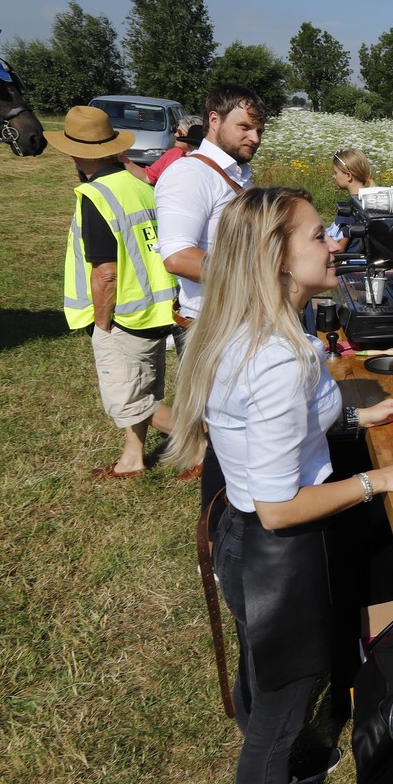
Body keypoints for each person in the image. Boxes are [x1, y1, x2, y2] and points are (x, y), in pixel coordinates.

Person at [167, 186, 393, 784]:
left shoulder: (261, 329)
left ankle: (287, 762)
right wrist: (378, 480)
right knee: (280, 714)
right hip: (275, 551)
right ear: (275, 256)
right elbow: (278, 508)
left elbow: (283, 428)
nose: (336, 244)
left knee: (266, 680)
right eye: (319, 235)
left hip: (244, 538)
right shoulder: (274, 356)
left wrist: (356, 418)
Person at [50, 106, 179, 480]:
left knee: (130, 402)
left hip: (123, 315)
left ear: (75, 153)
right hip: (157, 310)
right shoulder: (140, 185)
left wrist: (102, 325)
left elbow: (105, 273)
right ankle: (132, 457)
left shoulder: (96, 195)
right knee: (141, 389)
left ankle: (204, 441)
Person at [155, 84, 267, 493]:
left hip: (243, 319)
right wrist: (258, 276)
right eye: (245, 127)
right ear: (214, 121)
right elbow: (178, 257)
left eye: (259, 129)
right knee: (224, 431)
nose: (254, 138)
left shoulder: (238, 174)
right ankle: (221, 511)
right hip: (212, 324)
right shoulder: (190, 175)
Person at [142, 114, 204, 186]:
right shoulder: (173, 153)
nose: (175, 134)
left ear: (192, 137)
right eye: (176, 131)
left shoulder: (203, 160)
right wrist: (129, 162)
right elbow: (148, 176)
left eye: (180, 133)